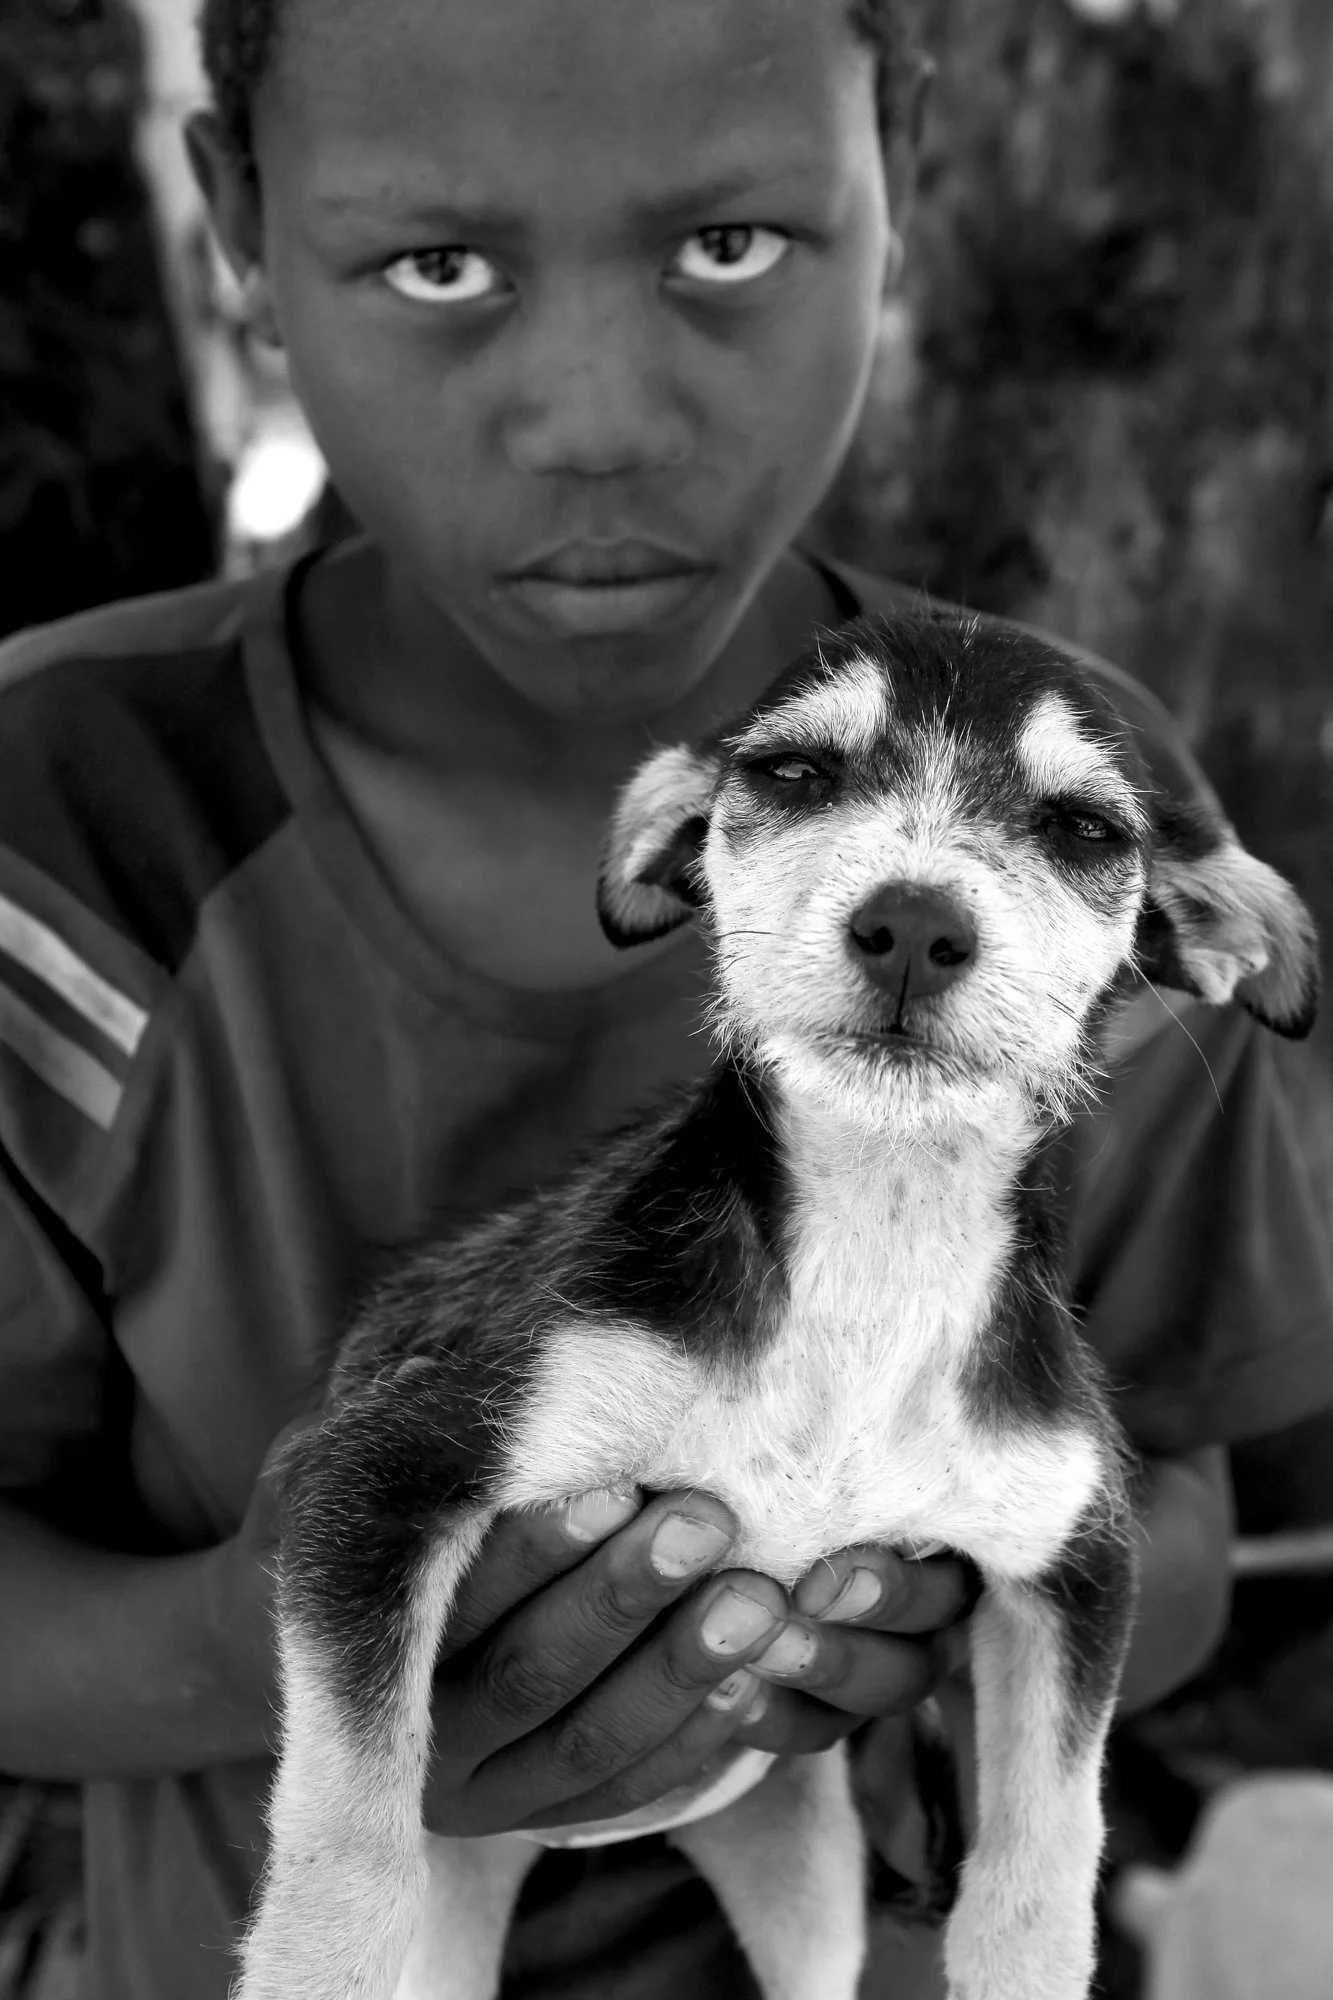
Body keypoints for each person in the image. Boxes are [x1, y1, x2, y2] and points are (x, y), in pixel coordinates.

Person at [0, 2, 1329, 1995]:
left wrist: (926, 1623)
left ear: (901, 157)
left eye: (727, 246)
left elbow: (1174, 1508)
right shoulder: (52, 837)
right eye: (441, 265)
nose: (600, 412)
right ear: (237, 219)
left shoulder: (1091, 842)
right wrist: (263, 1643)